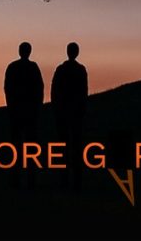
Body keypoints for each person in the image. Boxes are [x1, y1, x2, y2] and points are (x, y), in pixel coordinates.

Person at [4, 41, 44, 187]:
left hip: (17, 112)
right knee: (30, 146)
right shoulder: (33, 68)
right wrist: (37, 108)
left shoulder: (13, 67)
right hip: (29, 113)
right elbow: (40, 90)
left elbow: (7, 89)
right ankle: (30, 178)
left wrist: (12, 107)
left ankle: (17, 178)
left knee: (16, 145)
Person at [51, 41, 88, 189]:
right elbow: (84, 92)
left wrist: (56, 108)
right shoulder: (80, 70)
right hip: (75, 113)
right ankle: (75, 181)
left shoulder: (61, 69)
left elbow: (54, 91)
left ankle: (65, 179)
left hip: (64, 113)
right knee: (75, 147)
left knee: (65, 147)